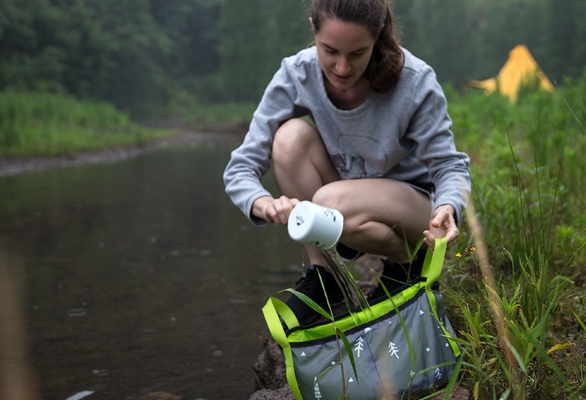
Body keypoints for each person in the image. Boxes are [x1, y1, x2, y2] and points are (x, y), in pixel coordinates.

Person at [223, 0, 471, 324]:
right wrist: (262, 202)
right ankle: (328, 277)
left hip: (413, 208)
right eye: (329, 51)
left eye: (357, 54)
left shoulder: (415, 80)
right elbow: (242, 165)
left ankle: (410, 263)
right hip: (346, 198)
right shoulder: (297, 73)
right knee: (288, 139)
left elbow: (450, 166)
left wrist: (449, 208)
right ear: (313, 29)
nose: (342, 68)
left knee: (327, 202)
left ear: (378, 36)